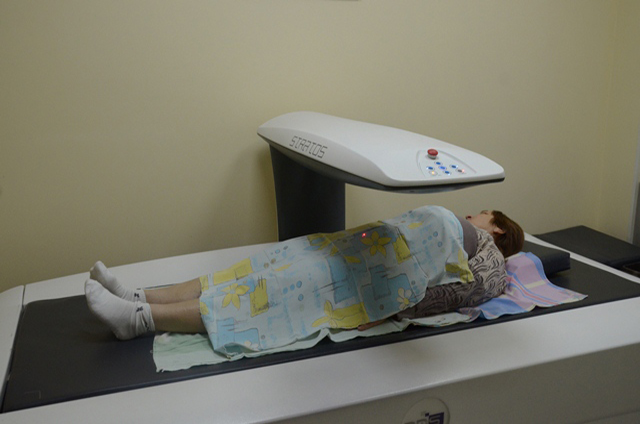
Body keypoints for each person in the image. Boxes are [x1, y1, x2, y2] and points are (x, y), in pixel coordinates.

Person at [85, 208, 523, 341]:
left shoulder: (492, 262)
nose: (471, 215)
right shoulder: (469, 241)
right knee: (256, 267)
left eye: (480, 215)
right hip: (355, 249)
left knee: (268, 291)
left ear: (498, 229)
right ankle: (140, 296)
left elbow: (458, 293)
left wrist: (393, 306)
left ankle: (139, 321)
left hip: (365, 280)